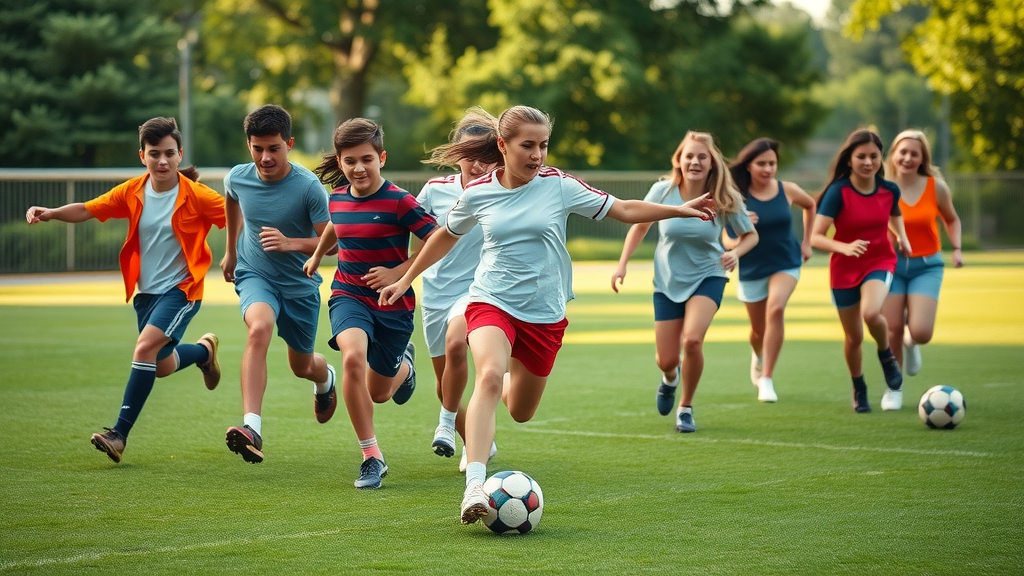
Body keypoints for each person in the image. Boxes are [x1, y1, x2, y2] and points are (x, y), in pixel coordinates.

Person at [378, 105, 716, 524]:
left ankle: (503, 378)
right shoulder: (478, 192)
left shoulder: (559, 186)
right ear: (502, 146)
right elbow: (444, 236)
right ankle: (475, 486)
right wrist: (406, 277)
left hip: (544, 313)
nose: (537, 155)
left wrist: (680, 210)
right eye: (527, 145)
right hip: (490, 299)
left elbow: (625, 210)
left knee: (520, 409)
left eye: (543, 145)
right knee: (486, 375)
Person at [26, 117, 225, 463]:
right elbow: (88, 208)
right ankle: (204, 353)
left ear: (180, 155)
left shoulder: (198, 196)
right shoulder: (132, 191)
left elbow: (237, 218)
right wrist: (51, 213)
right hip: (145, 294)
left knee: (145, 346)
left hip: (182, 289)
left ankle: (118, 434)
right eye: (154, 154)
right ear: (142, 156)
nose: (161, 161)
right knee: (159, 365)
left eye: (168, 153)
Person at [303, 117, 439, 489]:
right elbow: (335, 224)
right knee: (351, 357)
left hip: (393, 304)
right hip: (348, 294)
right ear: (340, 162)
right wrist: (317, 257)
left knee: (378, 393)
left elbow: (436, 242)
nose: (358, 168)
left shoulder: (400, 201)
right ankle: (371, 457)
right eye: (350, 161)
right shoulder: (337, 197)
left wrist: (400, 272)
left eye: (366, 159)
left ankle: (405, 368)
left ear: (381, 157)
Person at [612, 131, 758, 431]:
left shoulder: (725, 197)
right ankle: (670, 378)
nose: (695, 161)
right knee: (666, 359)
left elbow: (750, 234)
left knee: (692, 340)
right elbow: (639, 226)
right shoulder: (663, 191)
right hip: (667, 279)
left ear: (711, 163)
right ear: (679, 159)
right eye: (689, 155)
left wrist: (737, 253)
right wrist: (622, 264)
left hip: (709, 273)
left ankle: (686, 408)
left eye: (702, 156)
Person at [221, 104, 336, 464]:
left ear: (290, 143)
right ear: (249, 145)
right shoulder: (237, 177)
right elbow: (231, 201)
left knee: (302, 366)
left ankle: (326, 379)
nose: (265, 157)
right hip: (256, 274)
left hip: (300, 284)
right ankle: (251, 427)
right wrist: (231, 252)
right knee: (259, 328)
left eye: (274, 148)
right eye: (258, 149)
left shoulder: (308, 188)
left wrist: (290, 243)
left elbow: (331, 243)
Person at [417, 107, 502, 471]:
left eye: (485, 157)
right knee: (444, 384)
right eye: (470, 157)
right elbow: (403, 227)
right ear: (457, 157)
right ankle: (479, 441)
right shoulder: (435, 191)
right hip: (434, 294)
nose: (478, 165)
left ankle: (446, 426)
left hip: (479, 291)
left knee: (456, 343)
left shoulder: (503, 192)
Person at [809, 129, 912, 413]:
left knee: (871, 313)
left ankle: (886, 355)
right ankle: (859, 386)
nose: (868, 162)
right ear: (850, 159)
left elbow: (894, 216)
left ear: (881, 158)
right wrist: (843, 247)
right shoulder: (837, 192)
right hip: (844, 268)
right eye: (861, 156)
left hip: (879, 261)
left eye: (874, 156)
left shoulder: (889, 190)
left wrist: (901, 237)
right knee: (853, 338)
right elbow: (816, 237)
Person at [724, 138, 815, 402]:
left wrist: (807, 242)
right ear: (749, 166)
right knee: (757, 332)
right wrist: (742, 229)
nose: (768, 169)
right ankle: (758, 354)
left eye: (772, 163)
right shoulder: (736, 197)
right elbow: (726, 238)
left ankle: (767, 379)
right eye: (761, 163)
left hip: (786, 261)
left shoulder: (788, 190)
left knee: (776, 309)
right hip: (752, 268)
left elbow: (810, 205)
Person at [881, 130, 964, 404]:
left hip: (926, 266)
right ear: (893, 155)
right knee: (891, 327)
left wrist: (958, 249)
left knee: (921, 332)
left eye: (914, 153)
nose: (907, 158)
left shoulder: (936, 187)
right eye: (902, 152)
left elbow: (951, 220)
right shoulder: (880, 186)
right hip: (890, 265)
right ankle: (894, 389)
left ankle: (912, 341)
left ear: (922, 158)